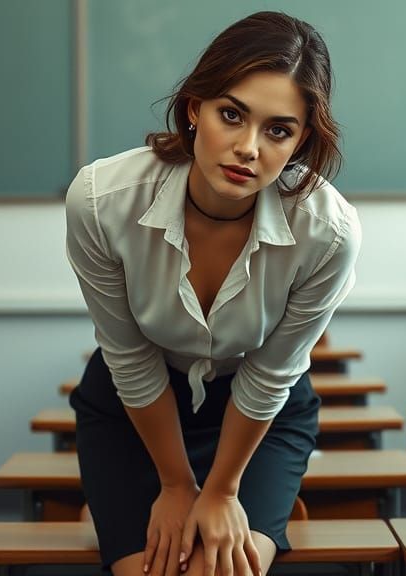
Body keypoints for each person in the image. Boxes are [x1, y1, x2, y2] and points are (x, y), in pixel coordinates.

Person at [65, 11, 360, 576]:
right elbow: (128, 355)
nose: (248, 147)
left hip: (259, 418)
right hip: (135, 410)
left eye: (278, 129)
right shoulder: (103, 201)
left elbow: (274, 373)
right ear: (194, 108)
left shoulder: (329, 232)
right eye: (232, 115)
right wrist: (175, 483)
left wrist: (221, 491)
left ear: (301, 141)